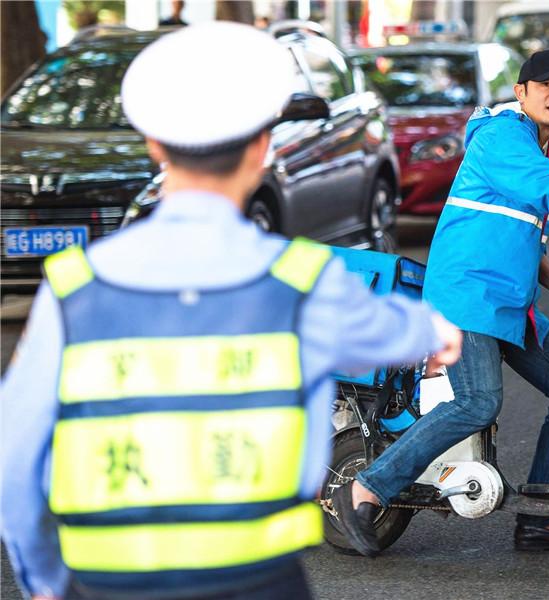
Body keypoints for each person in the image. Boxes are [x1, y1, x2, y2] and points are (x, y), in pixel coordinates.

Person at [0, 22, 462, 600]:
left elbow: (16, 460)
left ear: (153, 146)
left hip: (107, 579)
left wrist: (43, 579)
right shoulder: (304, 280)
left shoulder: (73, 288)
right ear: (261, 148)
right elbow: (403, 333)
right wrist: (436, 330)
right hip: (255, 579)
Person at [332, 48, 549, 557]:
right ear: (521, 92)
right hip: (466, 295)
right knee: (477, 401)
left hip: (510, 302)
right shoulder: (500, 136)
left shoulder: (537, 146)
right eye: (546, 85)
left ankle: (540, 521)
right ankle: (365, 489)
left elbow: (519, 230)